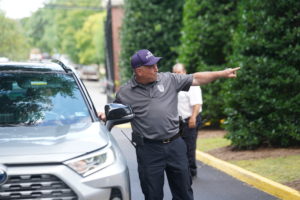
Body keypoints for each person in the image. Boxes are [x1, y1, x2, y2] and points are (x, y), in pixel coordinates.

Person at [98, 49, 240, 200]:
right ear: (139, 71)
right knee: (153, 195)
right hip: (148, 150)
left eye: (156, 64)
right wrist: (105, 115)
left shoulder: (169, 79)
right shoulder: (125, 92)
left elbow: (196, 78)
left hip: (175, 145)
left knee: (184, 193)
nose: (156, 68)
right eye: (151, 66)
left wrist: (221, 73)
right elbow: (115, 111)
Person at [173, 63, 202, 179]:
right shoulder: (174, 85)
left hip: (191, 118)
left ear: (184, 72)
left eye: (178, 72)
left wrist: (193, 118)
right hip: (178, 121)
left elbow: (197, 103)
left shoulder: (192, 84)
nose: (176, 75)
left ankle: (191, 172)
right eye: (174, 73)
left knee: (189, 146)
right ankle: (181, 170)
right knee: (178, 147)